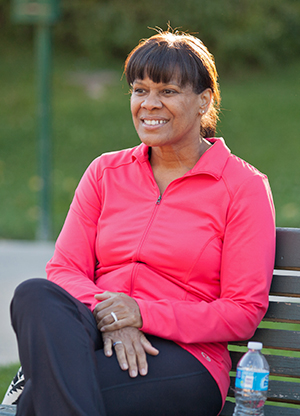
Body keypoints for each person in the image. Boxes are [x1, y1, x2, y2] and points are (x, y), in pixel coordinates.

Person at [10, 29, 276, 416]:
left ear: (204, 101)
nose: (149, 104)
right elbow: (65, 270)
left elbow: (241, 312)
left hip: (185, 358)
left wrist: (143, 313)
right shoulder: (105, 171)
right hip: (97, 337)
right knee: (35, 294)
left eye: (167, 91)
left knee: (40, 399)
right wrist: (116, 318)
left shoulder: (242, 187)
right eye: (140, 90)